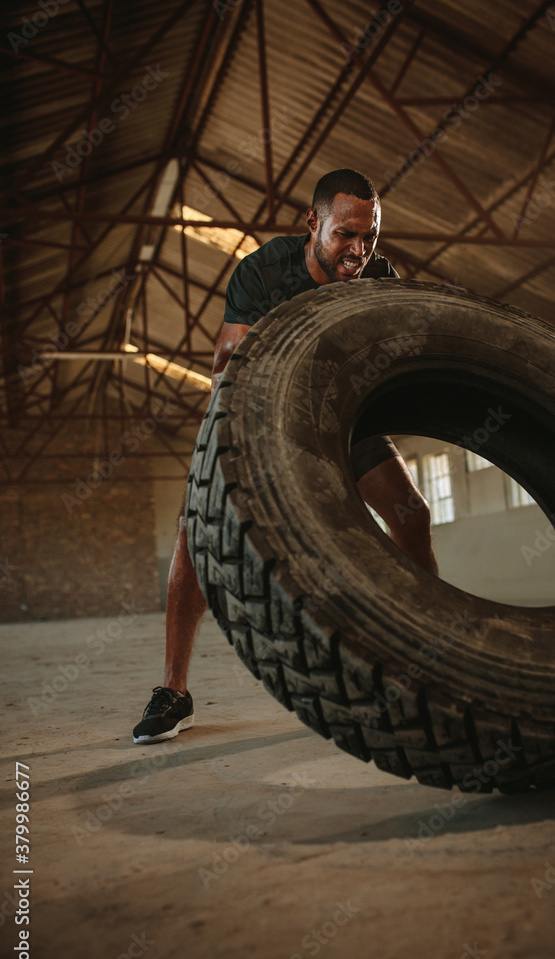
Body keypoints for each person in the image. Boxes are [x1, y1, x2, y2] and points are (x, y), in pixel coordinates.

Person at [133, 168, 438, 744]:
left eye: (368, 236)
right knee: (190, 535)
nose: (358, 249)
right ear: (312, 223)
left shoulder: (377, 274)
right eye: (346, 234)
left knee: (412, 513)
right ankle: (174, 691)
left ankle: (424, 661)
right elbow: (225, 360)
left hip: (341, 418)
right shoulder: (264, 268)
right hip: (252, 413)